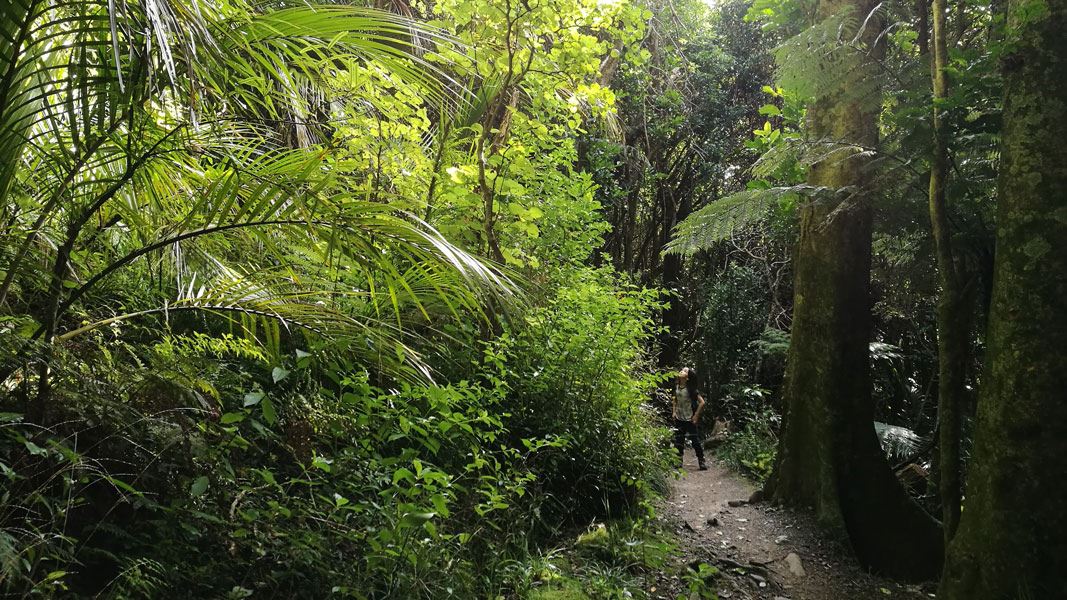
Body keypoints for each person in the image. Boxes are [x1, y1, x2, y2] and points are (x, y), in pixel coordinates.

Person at [672, 367, 707, 470]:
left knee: (695, 441)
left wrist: (696, 416)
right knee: (679, 441)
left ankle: (701, 461)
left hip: (690, 419)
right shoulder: (677, 386)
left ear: (687, 377)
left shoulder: (691, 390)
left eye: (685, 371)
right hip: (679, 418)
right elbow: (674, 399)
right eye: (682, 370)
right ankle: (678, 462)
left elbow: (702, 402)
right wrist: (674, 412)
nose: (682, 371)